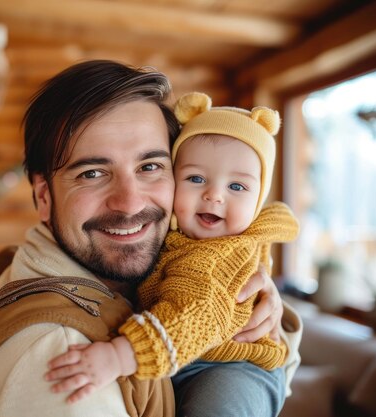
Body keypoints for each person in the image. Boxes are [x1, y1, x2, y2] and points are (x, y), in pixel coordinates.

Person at [0, 60, 302, 417]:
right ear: (43, 196)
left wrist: (263, 310)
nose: (129, 203)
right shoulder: (66, 364)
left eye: (150, 167)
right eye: (92, 173)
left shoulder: (37, 266)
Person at [45, 91, 300, 416]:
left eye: (237, 187)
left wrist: (119, 357)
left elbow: (195, 313)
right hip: (186, 360)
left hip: (231, 368)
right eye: (196, 178)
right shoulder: (175, 235)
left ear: (259, 200)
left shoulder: (217, 257)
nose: (214, 196)